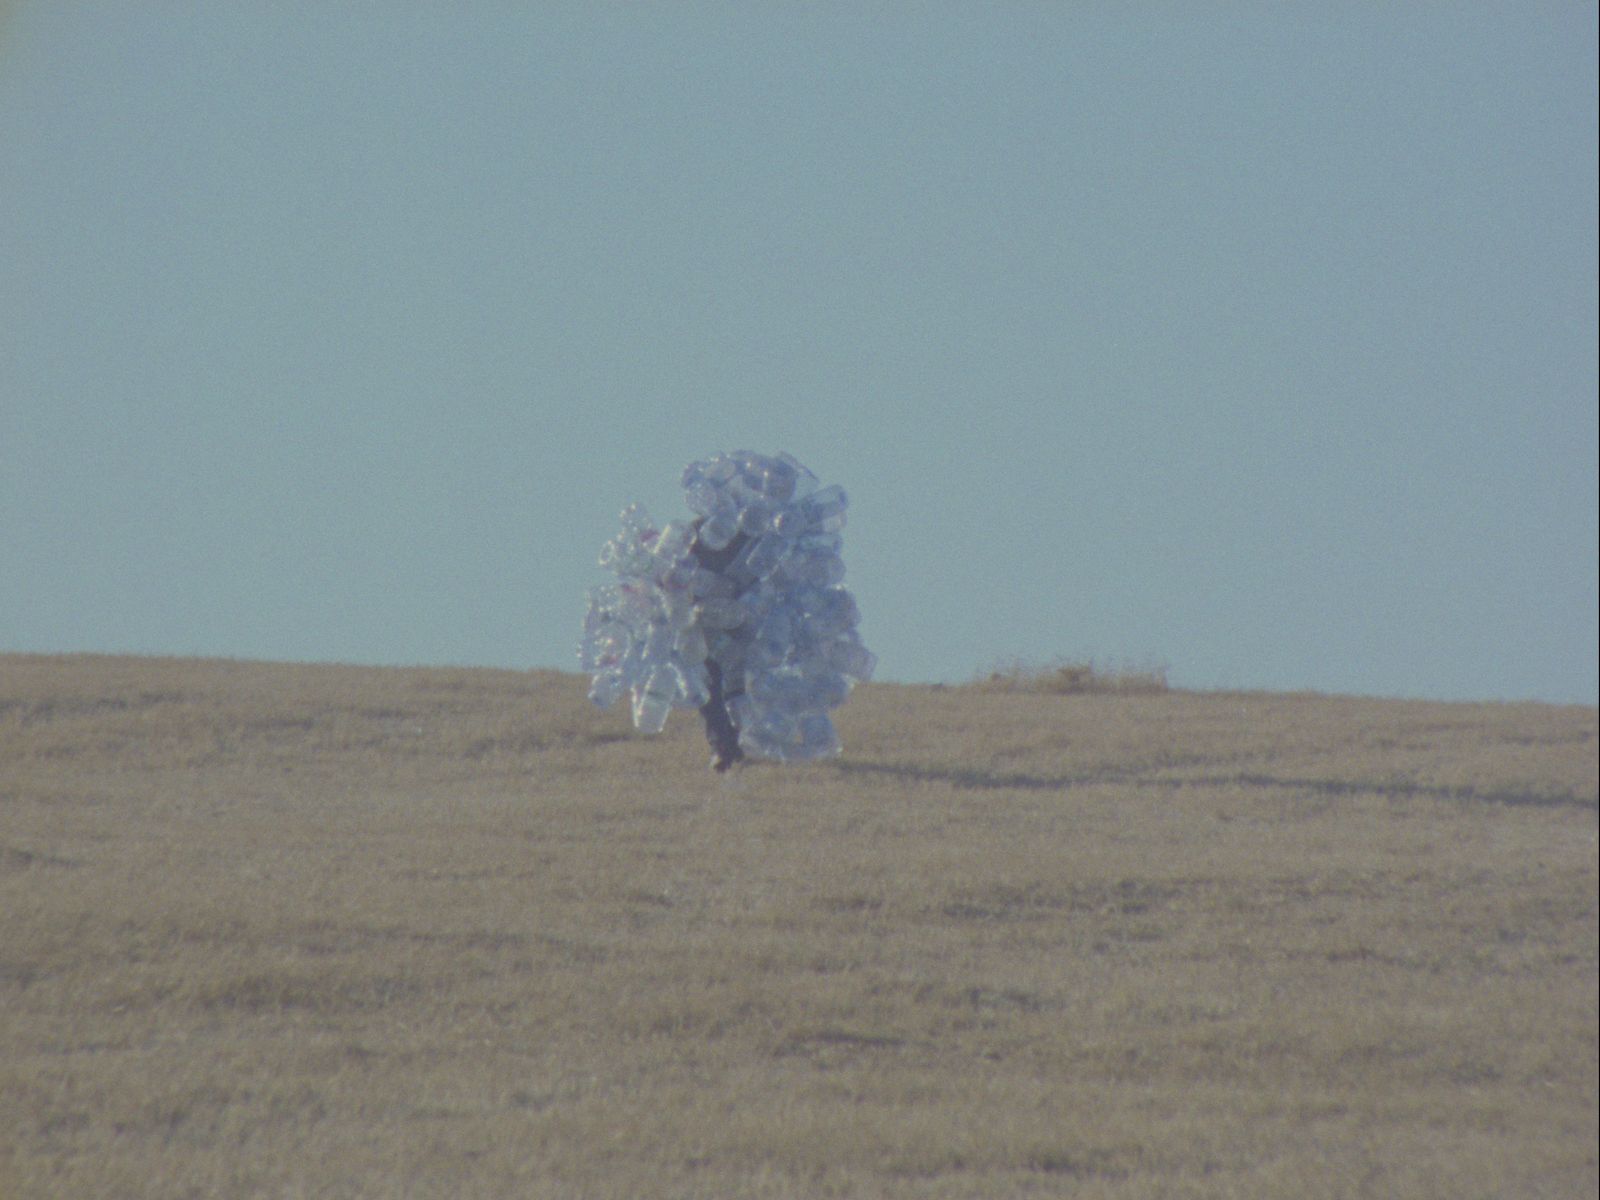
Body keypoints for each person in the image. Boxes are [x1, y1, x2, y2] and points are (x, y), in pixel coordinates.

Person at [689, 519, 748, 773]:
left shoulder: (749, 532)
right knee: (710, 686)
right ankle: (723, 746)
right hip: (706, 626)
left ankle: (736, 743)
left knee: (737, 685)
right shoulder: (693, 533)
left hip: (742, 621)